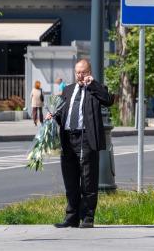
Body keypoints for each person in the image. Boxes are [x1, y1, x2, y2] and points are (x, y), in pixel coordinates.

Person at [46, 59, 114, 228]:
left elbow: (108, 100)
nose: (80, 75)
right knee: (70, 179)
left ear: (89, 72)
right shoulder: (68, 90)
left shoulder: (96, 90)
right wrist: (52, 116)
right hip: (68, 139)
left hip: (86, 139)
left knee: (88, 179)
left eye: (83, 72)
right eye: (77, 72)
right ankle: (71, 217)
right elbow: (61, 112)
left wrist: (93, 85)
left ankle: (88, 217)